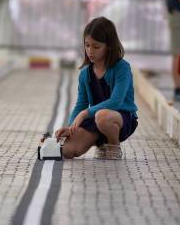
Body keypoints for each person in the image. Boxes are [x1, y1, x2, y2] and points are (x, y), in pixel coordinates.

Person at [55, 17, 138, 160]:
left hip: (121, 119)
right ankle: (100, 142)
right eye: (87, 45)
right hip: (95, 119)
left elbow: (115, 102)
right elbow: (80, 104)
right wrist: (70, 127)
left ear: (109, 46)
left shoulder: (122, 68)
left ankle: (113, 145)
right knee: (68, 151)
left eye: (96, 46)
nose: (90, 51)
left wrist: (84, 114)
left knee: (102, 116)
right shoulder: (85, 73)